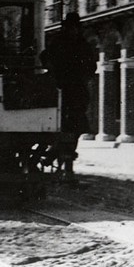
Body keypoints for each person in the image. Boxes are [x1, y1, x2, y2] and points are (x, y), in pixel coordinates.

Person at [39, 11, 96, 183]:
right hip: (60, 90)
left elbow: (91, 66)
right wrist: (53, 73)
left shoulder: (83, 45)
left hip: (77, 92)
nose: (74, 31)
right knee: (62, 128)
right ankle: (59, 161)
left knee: (75, 129)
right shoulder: (57, 43)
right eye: (71, 27)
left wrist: (85, 75)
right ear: (66, 28)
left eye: (76, 28)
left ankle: (61, 162)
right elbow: (44, 57)